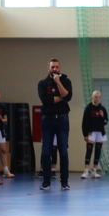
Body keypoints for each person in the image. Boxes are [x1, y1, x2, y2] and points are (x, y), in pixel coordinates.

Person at [37, 58, 73, 191]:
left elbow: (68, 97)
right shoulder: (42, 83)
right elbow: (45, 100)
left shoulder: (66, 81)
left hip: (62, 119)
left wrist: (58, 82)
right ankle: (46, 182)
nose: (55, 69)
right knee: (46, 151)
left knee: (63, 150)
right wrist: (62, 97)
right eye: (52, 67)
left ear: (60, 68)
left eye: (57, 67)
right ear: (48, 68)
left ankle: (64, 182)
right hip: (47, 120)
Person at [82, 90, 108, 179]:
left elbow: (105, 121)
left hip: (100, 132)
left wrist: (102, 116)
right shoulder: (88, 108)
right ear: (92, 97)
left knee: (98, 151)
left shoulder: (102, 108)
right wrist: (85, 134)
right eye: (95, 97)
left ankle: (94, 170)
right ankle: (86, 171)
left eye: (99, 97)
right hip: (91, 132)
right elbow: (84, 122)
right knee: (89, 150)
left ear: (100, 98)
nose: (97, 99)